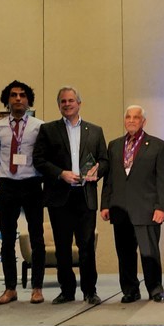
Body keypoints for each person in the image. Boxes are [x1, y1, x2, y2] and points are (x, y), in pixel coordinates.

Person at [33, 86, 108, 305]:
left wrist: (97, 171)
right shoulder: (48, 130)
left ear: (79, 103)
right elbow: (39, 160)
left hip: (85, 196)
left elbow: (104, 161)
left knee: (86, 246)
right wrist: (60, 174)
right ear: (59, 105)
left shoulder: (95, 131)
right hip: (59, 197)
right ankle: (66, 291)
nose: (67, 104)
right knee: (62, 247)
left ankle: (90, 291)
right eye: (63, 101)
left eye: (71, 100)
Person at [100, 106, 164, 303]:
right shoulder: (114, 145)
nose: (131, 120)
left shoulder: (157, 145)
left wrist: (162, 207)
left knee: (149, 253)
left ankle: (155, 289)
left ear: (143, 121)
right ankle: (130, 290)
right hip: (120, 209)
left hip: (147, 209)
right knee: (125, 254)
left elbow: (163, 179)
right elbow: (109, 179)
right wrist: (105, 204)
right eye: (128, 117)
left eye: (136, 117)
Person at [0, 80, 47, 305]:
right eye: (13, 95)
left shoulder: (39, 126)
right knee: (6, 239)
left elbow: (42, 155)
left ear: (28, 100)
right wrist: (4, 173)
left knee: (37, 238)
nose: (18, 99)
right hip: (8, 186)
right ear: (7, 100)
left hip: (32, 184)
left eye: (22, 95)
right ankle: (10, 288)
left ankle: (37, 287)